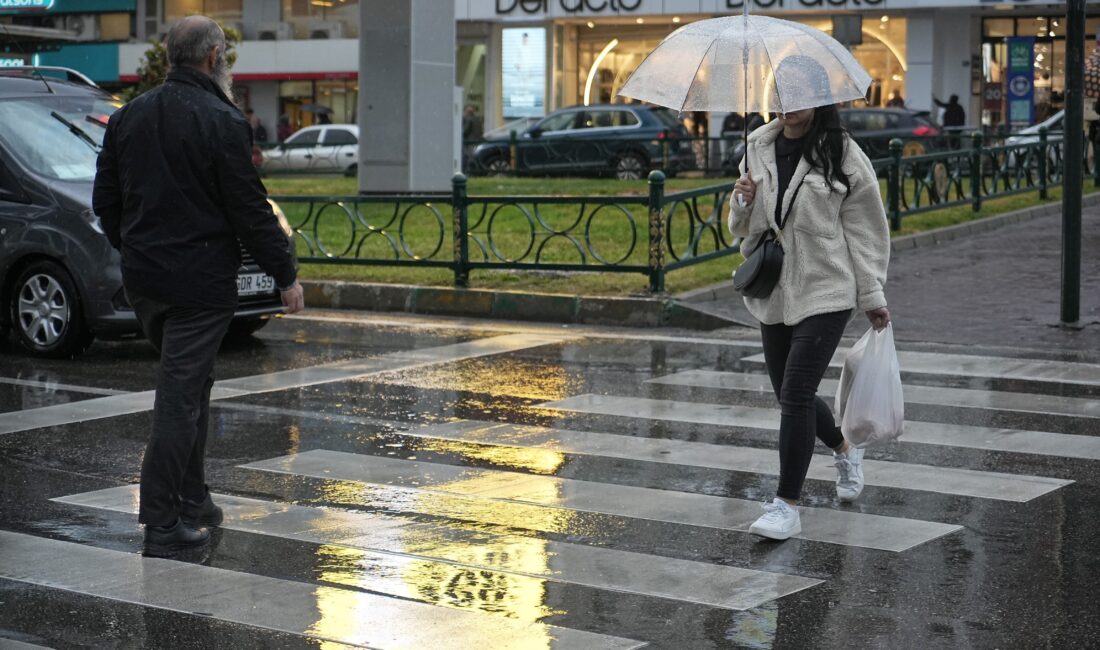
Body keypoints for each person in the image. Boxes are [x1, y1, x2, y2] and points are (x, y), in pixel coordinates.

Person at [93, 15, 305, 557]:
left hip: (146, 282)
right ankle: (162, 523)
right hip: (199, 282)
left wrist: (137, 250)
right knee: (181, 397)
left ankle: (194, 498)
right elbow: (248, 209)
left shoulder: (128, 118)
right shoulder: (221, 119)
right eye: (225, 58)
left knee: (192, 386)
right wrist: (285, 274)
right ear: (213, 58)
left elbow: (107, 204)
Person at [729, 55, 891, 541]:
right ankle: (843, 448)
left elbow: (864, 229)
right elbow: (741, 226)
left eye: (798, 95)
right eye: (779, 95)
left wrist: (872, 294)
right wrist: (742, 200)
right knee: (788, 393)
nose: (786, 106)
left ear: (819, 98)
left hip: (827, 286)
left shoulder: (841, 152)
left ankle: (787, 504)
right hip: (775, 286)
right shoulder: (757, 146)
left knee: (796, 393)